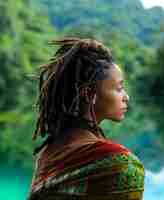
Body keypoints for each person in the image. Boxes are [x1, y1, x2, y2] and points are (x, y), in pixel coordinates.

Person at [27, 37, 145, 200]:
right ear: (90, 94)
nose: (126, 97)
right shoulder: (121, 164)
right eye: (119, 88)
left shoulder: (48, 153)